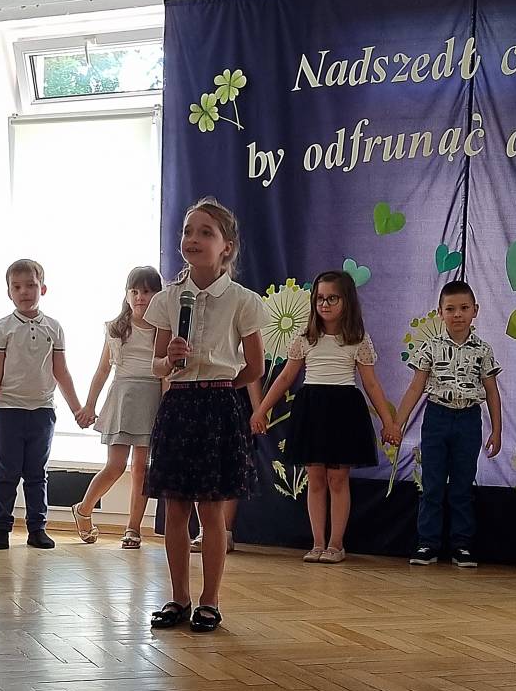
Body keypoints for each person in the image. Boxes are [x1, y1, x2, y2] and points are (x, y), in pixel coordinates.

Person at [146, 197, 267, 633]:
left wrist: (221, 385)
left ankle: (209, 601)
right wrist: (169, 360)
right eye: (187, 231)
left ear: (226, 247)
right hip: (178, 404)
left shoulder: (242, 300)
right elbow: (156, 364)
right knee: (175, 507)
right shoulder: (167, 299)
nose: (193, 239)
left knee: (211, 510)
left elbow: (255, 367)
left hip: (218, 406)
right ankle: (178, 597)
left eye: (205, 232)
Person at [251, 271, 398, 563]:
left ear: (347, 301)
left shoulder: (357, 339)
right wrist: (261, 409)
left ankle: (335, 544)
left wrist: (388, 422)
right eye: (320, 298)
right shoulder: (305, 338)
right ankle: (317, 542)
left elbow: (371, 384)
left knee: (337, 479)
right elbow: (285, 378)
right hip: (312, 409)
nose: (325, 304)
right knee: (315, 478)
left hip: (344, 411)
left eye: (332, 298)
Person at [0, 259, 93, 550]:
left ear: (43, 288)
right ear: (9, 293)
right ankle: (1, 528)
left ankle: (37, 528)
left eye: (30, 285)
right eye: (17, 287)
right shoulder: (3, 328)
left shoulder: (54, 327)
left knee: (37, 473)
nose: (24, 292)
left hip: (42, 410)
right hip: (9, 410)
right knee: (6, 473)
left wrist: (77, 408)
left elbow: (61, 371)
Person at [394, 279, 502, 567]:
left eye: (464, 308)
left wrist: (497, 430)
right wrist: (397, 423)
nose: (457, 315)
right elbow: (415, 387)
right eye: (451, 309)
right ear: (440, 312)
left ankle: (461, 544)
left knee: (462, 484)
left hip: (469, 419)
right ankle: (427, 543)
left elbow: (492, 391)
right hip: (437, 417)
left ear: (475, 310)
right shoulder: (430, 347)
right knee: (432, 483)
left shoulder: (483, 349)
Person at [72, 266, 163, 548]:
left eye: (146, 291)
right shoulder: (117, 328)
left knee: (142, 468)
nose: (140, 297)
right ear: (126, 294)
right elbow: (102, 370)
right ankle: (84, 509)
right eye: (134, 291)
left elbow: (167, 373)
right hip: (123, 397)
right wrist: (89, 405)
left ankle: (133, 528)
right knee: (115, 465)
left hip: (151, 399)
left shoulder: (164, 329)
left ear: (158, 295)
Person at [191, 381, 263, 554]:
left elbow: (252, 375)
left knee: (229, 466)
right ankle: (203, 531)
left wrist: (258, 410)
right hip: (193, 400)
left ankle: (225, 532)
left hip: (230, 399)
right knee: (197, 464)